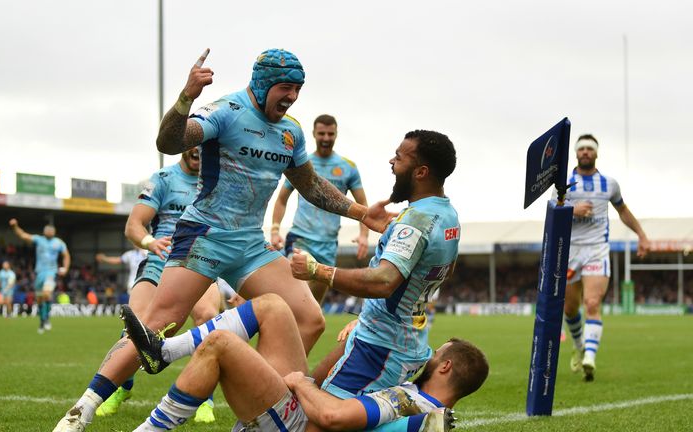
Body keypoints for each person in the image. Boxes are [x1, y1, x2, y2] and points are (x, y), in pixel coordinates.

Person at [52, 48, 392, 431]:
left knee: (309, 318)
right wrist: (186, 97)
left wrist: (362, 214)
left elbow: (309, 185)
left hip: (250, 244)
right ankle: (82, 409)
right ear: (262, 84)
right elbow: (169, 142)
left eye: (297, 89)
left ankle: (262, 413)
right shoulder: (227, 110)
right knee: (160, 324)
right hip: (205, 235)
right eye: (285, 87)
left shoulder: (291, 132)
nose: (292, 96)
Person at [121, 294, 488, 431]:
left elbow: (331, 416)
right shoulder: (422, 404)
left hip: (299, 424)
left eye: (437, 353)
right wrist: (357, 340)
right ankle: (163, 352)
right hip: (305, 410)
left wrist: (300, 384)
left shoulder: (416, 406)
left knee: (220, 343)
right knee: (274, 307)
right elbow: (326, 386)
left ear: (446, 368)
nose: (430, 355)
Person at [291, 130, 460, 399]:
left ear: (420, 172)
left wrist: (316, 270)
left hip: (381, 348)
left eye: (399, 158)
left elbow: (383, 282)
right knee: (311, 389)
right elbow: (443, 269)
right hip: (386, 334)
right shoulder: (446, 214)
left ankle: (416, 423)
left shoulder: (416, 220)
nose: (391, 162)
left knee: (319, 419)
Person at [93, 148, 220, 422]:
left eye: (204, 143)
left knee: (208, 317)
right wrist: (150, 242)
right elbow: (134, 225)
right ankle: (121, 388)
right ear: (182, 145)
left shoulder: (217, 178)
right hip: (160, 260)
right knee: (135, 324)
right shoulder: (162, 179)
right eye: (193, 144)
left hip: (199, 260)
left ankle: (204, 399)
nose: (198, 150)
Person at [561, 134, 650, 382]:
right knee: (570, 308)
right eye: (582, 149)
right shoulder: (564, 184)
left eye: (590, 148)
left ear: (596, 153)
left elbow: (622, 210)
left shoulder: (609, 184)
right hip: (569, 251)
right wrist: (571, 209)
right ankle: (579, 348)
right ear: (576, 154)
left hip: (597, 249)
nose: (586, 152)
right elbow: (553, 214)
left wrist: (641, 235)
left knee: (591, 302)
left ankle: (589, 356)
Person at [271, 114, 369, 304]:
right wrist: (275, 229)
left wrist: (364, 234)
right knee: (299, 300)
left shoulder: (347, 167)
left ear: (336, 134)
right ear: (314, 134)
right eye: (321, 133)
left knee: (314, 311)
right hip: (301, 239)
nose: (326, 138)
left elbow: (362, 205)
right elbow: (282, 199)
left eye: (330, 134)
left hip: (328, 245)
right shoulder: (302, 163)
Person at [9, 219, 70, 333]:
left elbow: (66, 255)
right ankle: (43, 320)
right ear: (44, 231)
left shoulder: (59, 243)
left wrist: (65, 268)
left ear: (54, 231)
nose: (49, 231)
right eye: (47, 229)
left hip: (51, 272)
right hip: (39, 273)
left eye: (51, 230)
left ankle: (46, 319)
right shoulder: (39, 239)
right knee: (40, 299)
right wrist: (15, 226)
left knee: (47, 294)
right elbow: (23, 235)